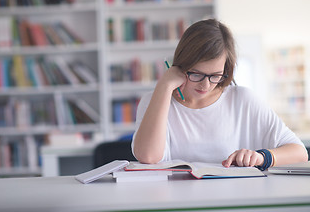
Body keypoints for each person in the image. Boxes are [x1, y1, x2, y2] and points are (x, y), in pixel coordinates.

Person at [132, 19, 308, 170]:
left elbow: (299, 153)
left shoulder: (242, 100)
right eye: (196, 73)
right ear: (181, 64)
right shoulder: (154, 101)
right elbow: (148, 156)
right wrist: (164, 86)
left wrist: (261, 157)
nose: (205, 84)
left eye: (215, 75)